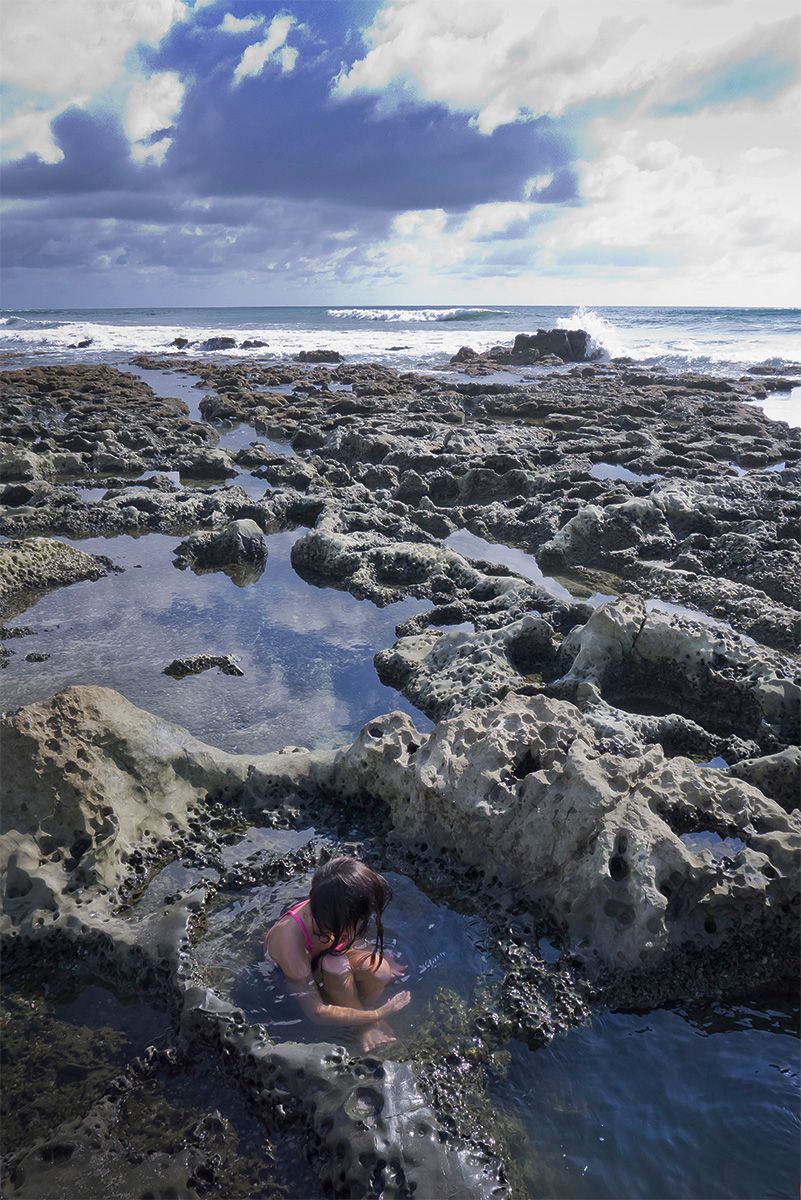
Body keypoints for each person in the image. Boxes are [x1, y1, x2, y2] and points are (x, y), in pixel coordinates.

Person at [263, 856, 410, 1051]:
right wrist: (377, 1015)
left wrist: (373, 956)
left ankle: (357, 1013)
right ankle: (362, 1025)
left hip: (327, 958)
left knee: (379, 970)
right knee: (336, 964)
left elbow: (353, 940)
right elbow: (316, 1013)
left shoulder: (331, 907)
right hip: (287, 978)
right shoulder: (291, 945)